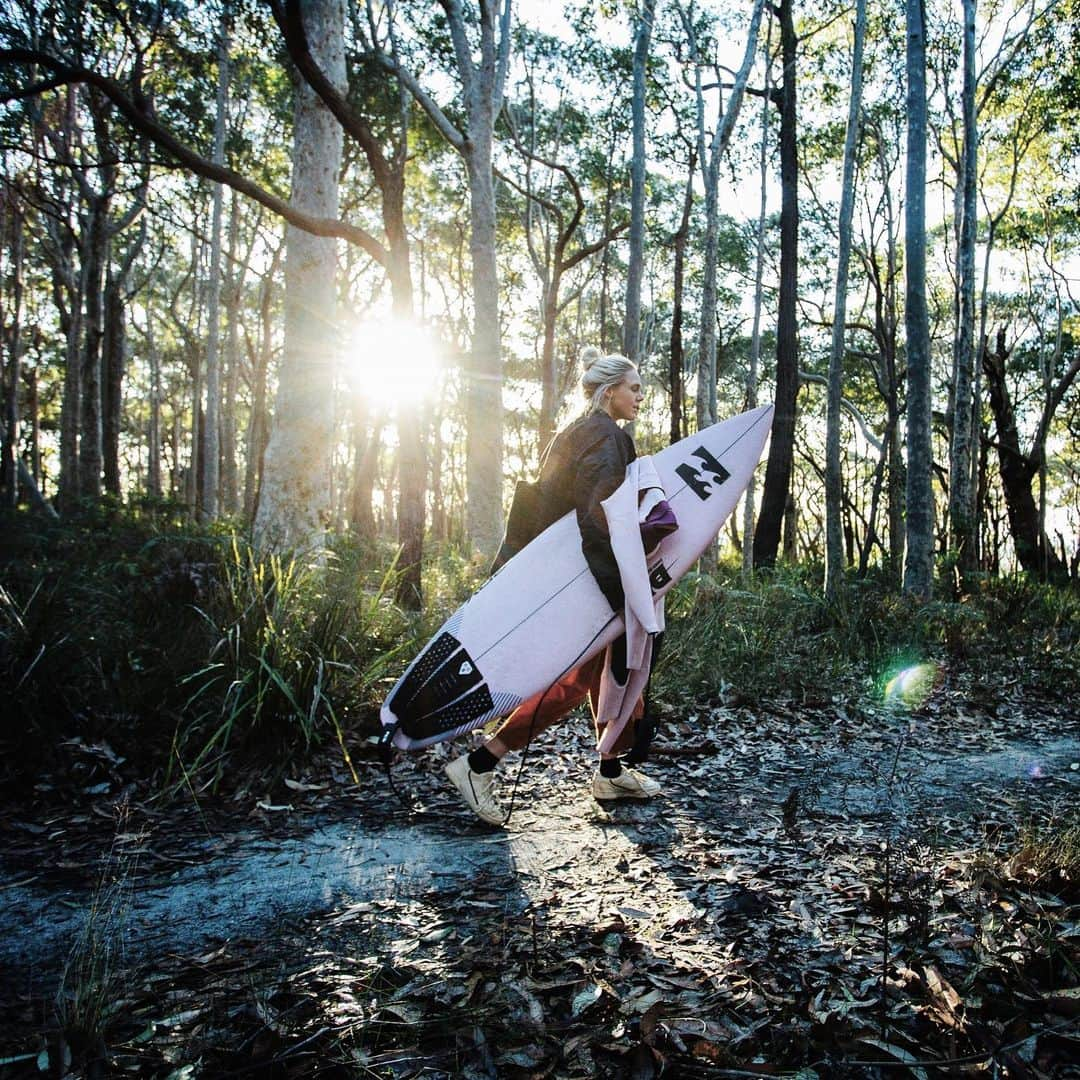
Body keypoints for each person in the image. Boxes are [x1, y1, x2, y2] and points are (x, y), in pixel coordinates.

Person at [445, 346, 663, 825]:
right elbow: (599, 518)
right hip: (584, 578)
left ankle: (609, 768)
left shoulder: (575, 432)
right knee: (571, 683)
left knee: (607, 672)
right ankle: (478, 765)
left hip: (560, 573)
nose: (640, 397)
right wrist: (621, 592)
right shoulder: (608, 438)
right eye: (634, 388)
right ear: (610, 392)